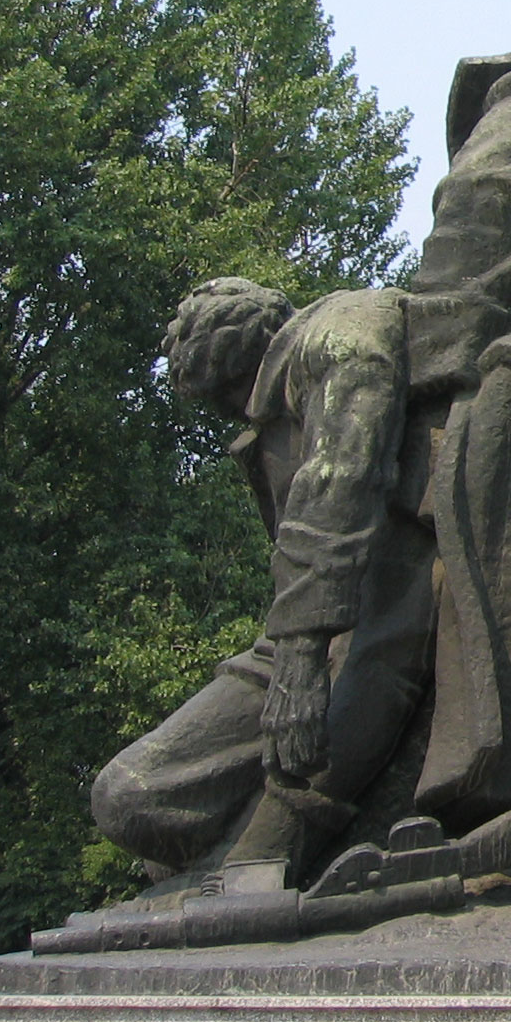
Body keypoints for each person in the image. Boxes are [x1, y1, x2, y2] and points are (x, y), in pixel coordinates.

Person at [93, 279, 435, 877]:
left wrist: (302, 661)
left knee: (243, 856)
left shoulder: (343, 335)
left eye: (224, 400)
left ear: (235, 374)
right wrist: (293, 652)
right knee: (128, 797)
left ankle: (264, 856)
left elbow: (340, 477)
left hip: (382, 620)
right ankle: (230, 862)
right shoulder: (283, 388)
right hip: (302, 634)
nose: (237, 418)